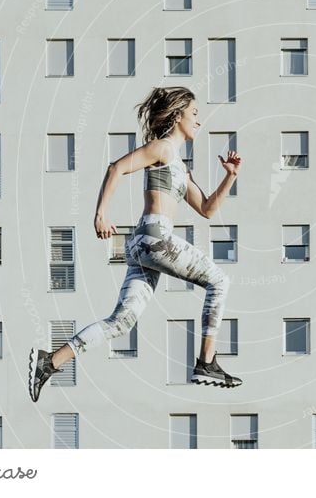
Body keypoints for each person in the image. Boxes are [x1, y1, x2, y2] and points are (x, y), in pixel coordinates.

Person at [28, 86, 242, 402]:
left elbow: (208, 209)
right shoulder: (162, 148)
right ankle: (206, 362)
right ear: (178, 114)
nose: (199, 120)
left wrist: (230, 176)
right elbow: (116, 167)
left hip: (142, 247)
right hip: (156, 238)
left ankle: (50, 361)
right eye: (195, 113)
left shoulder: (181, 166)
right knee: (219, 281)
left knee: (120, 322)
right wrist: (101, 214)